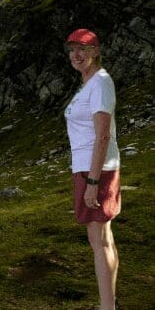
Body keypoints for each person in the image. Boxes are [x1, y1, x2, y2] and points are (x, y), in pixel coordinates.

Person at [63, 28, 121, 310]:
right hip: (88, 168)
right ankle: (108, 303)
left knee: (99, 241)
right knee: (102, 238)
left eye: (83, 49)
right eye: (72, 49)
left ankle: (107, 307)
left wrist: (94, 181)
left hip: (95, 170)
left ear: (96, 51)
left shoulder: (99, 83)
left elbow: (103, 136)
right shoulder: (89, 83)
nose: (77, 55)